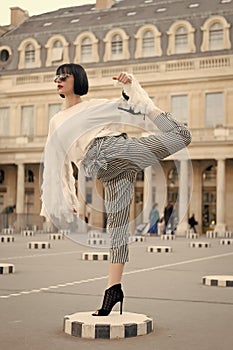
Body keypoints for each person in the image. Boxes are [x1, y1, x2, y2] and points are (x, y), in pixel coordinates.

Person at [40, 63, 191, 316]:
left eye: (63, 76)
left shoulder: (94, 105)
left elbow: (129, 103)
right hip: (103, 158)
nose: (58, 80)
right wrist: (67, 201)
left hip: (116, 156)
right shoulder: (56, 120)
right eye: (56, 77)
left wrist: (129, 82)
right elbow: (58, 163)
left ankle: (113, 290)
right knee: (182, 134)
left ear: (76, 79)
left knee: (118, 230)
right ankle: (114, 289)